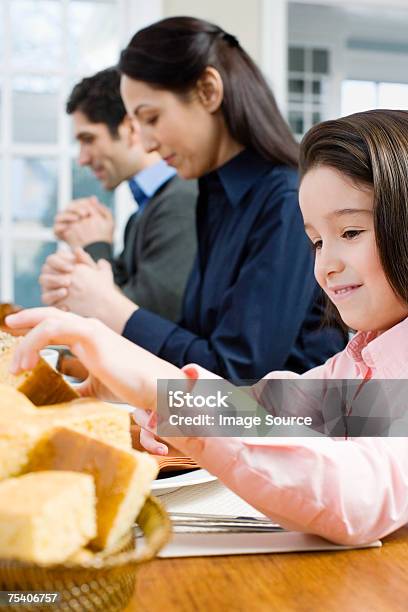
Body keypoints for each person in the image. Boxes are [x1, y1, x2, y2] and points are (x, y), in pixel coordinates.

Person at [8, 109, 408, 545]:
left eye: (350, 231)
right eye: (316, 241)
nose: (325, 265)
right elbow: (282, 407)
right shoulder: (365, 359)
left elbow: (356, 496)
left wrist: (160, 385)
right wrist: (157, 397)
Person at [52, 16, 344, 382]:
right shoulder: (213, 196)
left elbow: (239, 376)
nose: (145, 143)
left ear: (208, 91)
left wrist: (114, 309)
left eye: (152, 118)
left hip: (291, 429)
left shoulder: (285, 200)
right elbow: (196, 343)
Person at [41, 67, 197, 324]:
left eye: (89, 139)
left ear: (130, 128)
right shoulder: (145, 212)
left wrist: (94, 247)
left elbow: (143, 325)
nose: (82, 158)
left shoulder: (181, 201)